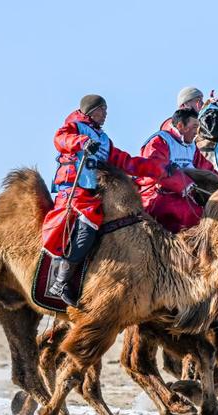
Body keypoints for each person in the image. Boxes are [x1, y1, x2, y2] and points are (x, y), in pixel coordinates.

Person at [42, 94, 167, 306]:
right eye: (102, 110)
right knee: (88, 222)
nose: (106, 114)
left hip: (95, 191)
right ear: (91, 111)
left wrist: (160, 170)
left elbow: (126, 162)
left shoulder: (104, 140)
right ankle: (60, 280)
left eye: (106, 110)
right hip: (74, 190)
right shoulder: (74, 127)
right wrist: (82, 143)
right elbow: (60, 139)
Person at [137, 109, 218, 233]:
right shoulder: (161, 141)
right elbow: (154, 168)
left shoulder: (191, 147)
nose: (197, 132)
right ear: (180, 126)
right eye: (194, 127)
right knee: (194, 216)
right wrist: (183, 182)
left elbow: (207, 169)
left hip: (183, 195)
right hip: (157, 194)